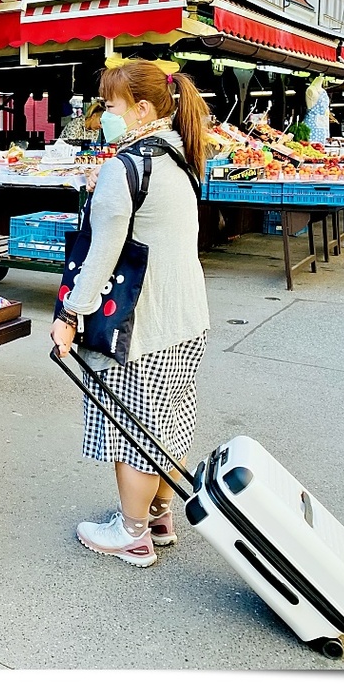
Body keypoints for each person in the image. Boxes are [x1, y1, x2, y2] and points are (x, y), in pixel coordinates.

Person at [50, 59, 211, 568]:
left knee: (131, 425)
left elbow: (102, 253)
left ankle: (133, 533)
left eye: (112, 105)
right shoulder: (181, 155)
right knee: (172, 417)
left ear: (141, 109)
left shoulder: (125, 168)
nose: (105, 114)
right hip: (188, 319)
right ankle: (161, 513)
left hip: (143, 324)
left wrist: (70, 314)